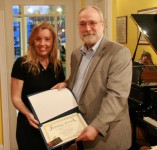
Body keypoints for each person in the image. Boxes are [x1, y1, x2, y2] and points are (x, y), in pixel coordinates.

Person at [53, 5, 132, 150]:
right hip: (80, 129)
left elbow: (117, 95)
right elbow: (79, 79)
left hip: (106, 136)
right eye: (82, 24)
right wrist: (66, 83)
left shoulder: (119, 53)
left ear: (102, 24)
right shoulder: (76, 54)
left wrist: (96, 126)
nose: (87, 28)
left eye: (92, 23)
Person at [11, 21, 65, 150]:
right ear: (32, 41)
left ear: (52, 42)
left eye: (47, 39)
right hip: (29, 125)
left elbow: (61, 89)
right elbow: (16, 98)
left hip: (53, 126)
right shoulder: (21, 64)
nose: (42, 44)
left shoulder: (57, 65)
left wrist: (65, 84)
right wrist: (29, 114)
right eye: (38, 39)